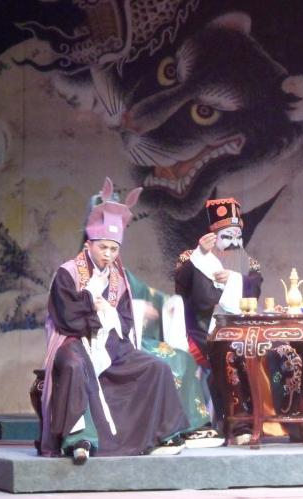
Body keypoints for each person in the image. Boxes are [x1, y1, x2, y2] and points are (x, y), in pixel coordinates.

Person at [39, 178, 189, 464]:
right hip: (73, 340)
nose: (108, 255)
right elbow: (66, 316)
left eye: (114, 249)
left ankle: (160, 435)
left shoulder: (118, 279)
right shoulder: (68, 273)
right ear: (89, 244)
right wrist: (91, 304)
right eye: (103, 248)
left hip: (109, 343)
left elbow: (125, 321)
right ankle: (79, 440)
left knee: (155, 367)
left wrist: (107, 313)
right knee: (74, 365)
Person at [175, 198, 303, 444]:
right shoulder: (191, 258)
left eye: (238, 235)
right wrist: (200, 255)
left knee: (285, 350)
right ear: (213, 235)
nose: (234, 241)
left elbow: (253, 292)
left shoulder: (248, 263)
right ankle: (241, 425)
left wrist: (233, 279)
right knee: (233, 352)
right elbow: (182, 286)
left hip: (247, 328)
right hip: (208, 331)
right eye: (227, 236)